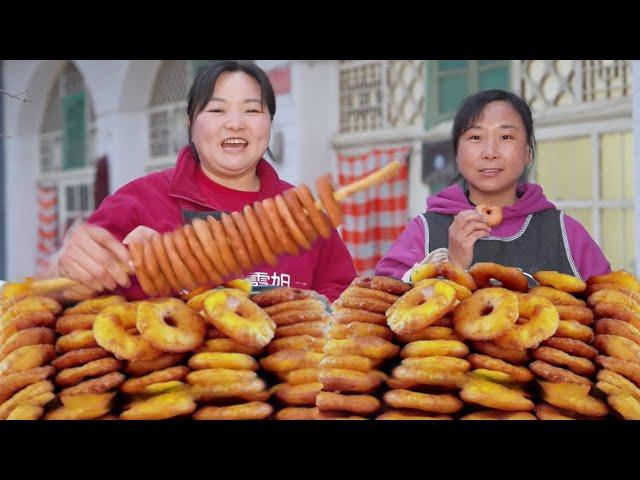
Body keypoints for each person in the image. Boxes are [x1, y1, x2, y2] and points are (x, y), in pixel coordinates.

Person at [49, 61, 356, 301]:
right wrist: (68, 262)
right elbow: (68, 292)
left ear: (270, 123)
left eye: (252, 110)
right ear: (191, 124)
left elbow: (340, 299)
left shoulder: (304, 214)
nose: (235, 124)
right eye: (217, 110)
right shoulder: (139, 201)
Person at [376, 89, 611, 282]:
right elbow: (385, 311)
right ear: (457, 154)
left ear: (528, 152)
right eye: (475, 138)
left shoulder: (564, 232)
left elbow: (612, 306)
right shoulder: (424, 230)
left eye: (506, 137)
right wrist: (451, 264)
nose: (490, 153)